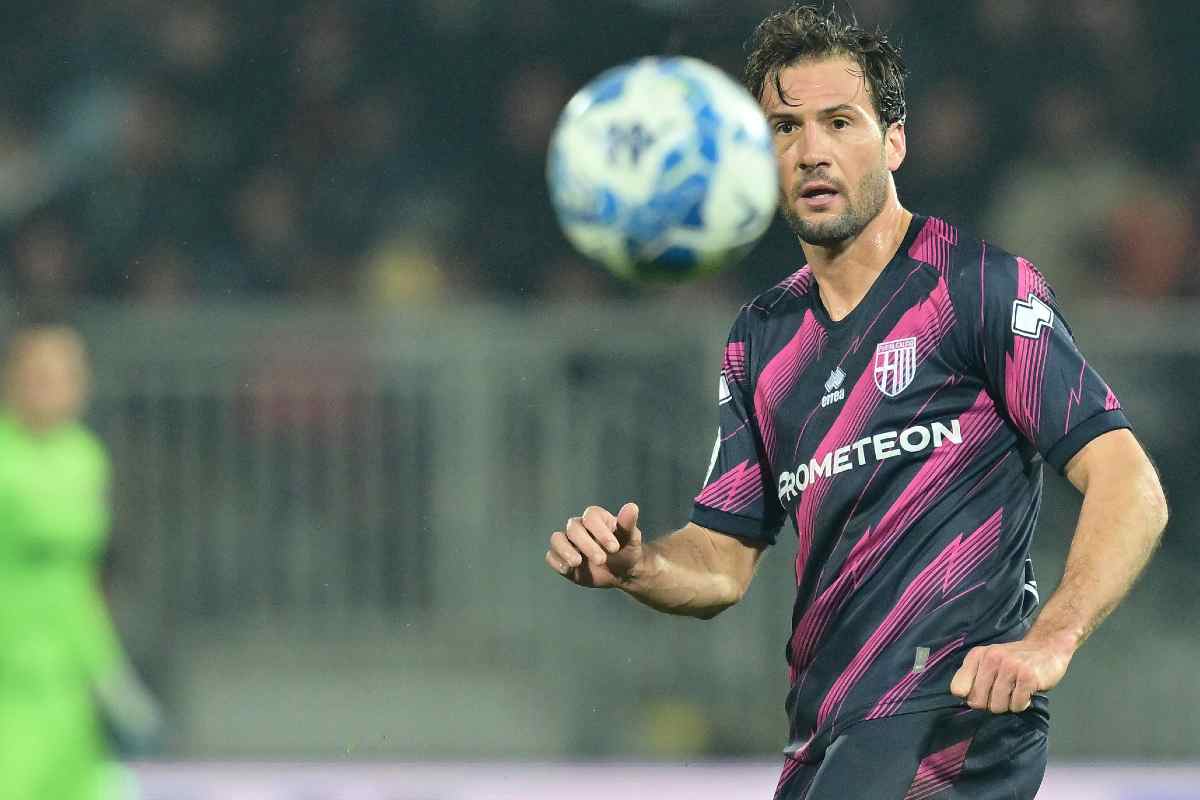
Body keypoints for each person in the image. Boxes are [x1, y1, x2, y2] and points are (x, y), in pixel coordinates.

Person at [543, 6, 1169, 799]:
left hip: (951, 722)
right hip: (823, 741)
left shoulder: (975, 288)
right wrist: (641, 565)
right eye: (785, 128)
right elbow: (722, 562)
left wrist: (1052, 640)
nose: (811, 151)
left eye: (839, 122)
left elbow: (1129, 483)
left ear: (894, 140)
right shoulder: (762, 338)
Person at [0, 321, 160, 800]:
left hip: (71, 685)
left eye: (68, 374)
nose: (55, 386)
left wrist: (111, 675)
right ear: (11, 378)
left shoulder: (86, 458)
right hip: (10, 682)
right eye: (40, 374)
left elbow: (82, 582)